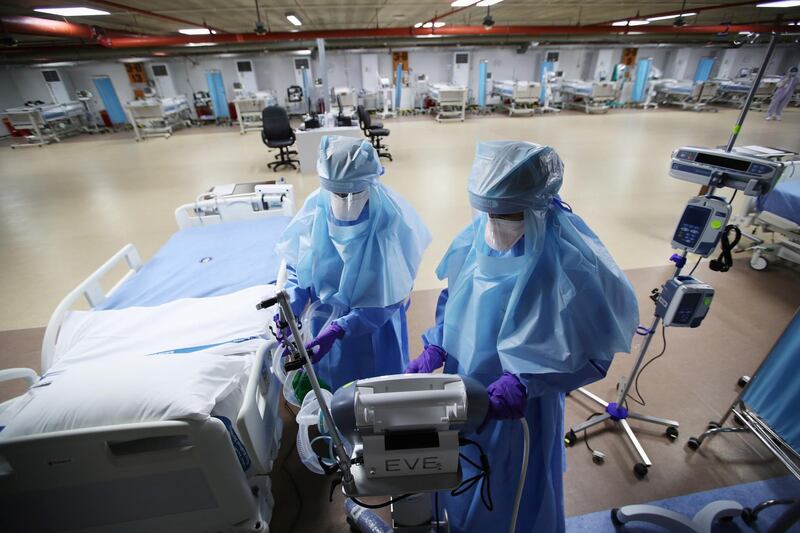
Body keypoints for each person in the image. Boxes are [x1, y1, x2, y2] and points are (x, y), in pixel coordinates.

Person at [406, 141, 639, 532]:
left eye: (507, 215)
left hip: (521, 407)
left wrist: (529, 382)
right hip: (462, 386)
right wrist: (437, 344)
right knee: (460, 475)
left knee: (511, 493)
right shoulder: (478, 235)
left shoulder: (569, 264)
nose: (495, 224)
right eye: (489, 213)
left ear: (536, 206)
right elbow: (455, 295)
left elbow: (595, 354)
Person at [275, 135, 431, 390]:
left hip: (375, 332)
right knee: (334, 393)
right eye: (338, 193)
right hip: (322, 324)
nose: (346, 200)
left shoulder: (390, 220)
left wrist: (340, 328)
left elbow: (391, 296)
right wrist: (291, 303)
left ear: (370, 183)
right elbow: (297, 264)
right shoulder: (316, 209)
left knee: (377, 397)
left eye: (354, 193)